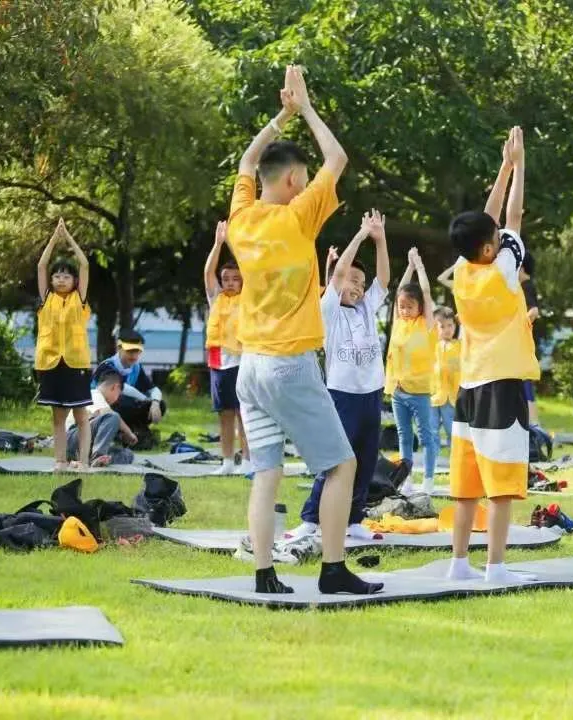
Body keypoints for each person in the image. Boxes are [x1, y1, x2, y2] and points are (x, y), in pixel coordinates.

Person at [227, 64, 381, 595]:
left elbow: (249, 159)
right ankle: (333, 570)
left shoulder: (243, 217)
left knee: (267, 471)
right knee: (342, 465)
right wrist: (307, 108)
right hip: (290, 363)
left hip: (249, 366)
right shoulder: (298, 216)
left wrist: (280, 116)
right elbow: (337, 159)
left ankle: (265, 574)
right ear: (294, 181)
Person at [445, 126, 538, 584]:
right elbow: (512, 215)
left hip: (469, 384)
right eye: (496, 237)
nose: (502, 236)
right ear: (489, 247)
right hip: (502, 386)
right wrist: (519, 167)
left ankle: (458, 562)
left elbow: (489, 218)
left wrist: (502, 166)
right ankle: (496, 567)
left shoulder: (463, 271)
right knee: (501, 484)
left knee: (466, 484)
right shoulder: (503, 269)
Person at [289, 210, 391, 543]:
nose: (358, 288)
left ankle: (353, 519)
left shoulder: (366, 307)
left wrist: (380, 239)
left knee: (364, 458)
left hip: (371, 394)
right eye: (352, 281)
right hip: (342, 394)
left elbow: (385, 280)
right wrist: (360, 235)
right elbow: (336, 278)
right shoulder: (329, 309)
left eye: (362, 284)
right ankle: (310, 518)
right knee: (336, 459)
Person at [34, 218, 93, 471]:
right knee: (57, 415)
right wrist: (53, 240)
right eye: (57, 276)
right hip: (49, 361)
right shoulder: (46, 298)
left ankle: (84, 461)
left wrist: (67, 237)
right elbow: (41, 265)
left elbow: (85, 264)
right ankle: (59, 461)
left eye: (65, 276)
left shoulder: (79, 300)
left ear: (74, 281)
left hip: (76, 362)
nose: (59, 279)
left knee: (80, 415)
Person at [385, 248, 439, 495]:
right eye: (401, 307)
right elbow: (399, 292)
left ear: (420, 307)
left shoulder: (426, 325)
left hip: (420, 392)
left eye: (410, 306)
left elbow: (426, 292)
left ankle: (428, 480)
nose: (404, 310)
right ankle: (406, 480)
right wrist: (407, 266)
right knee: (404, 437)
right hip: (398, 391)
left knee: (427, 438)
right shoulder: (399, 324)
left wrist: (419, 266)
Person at [204, 220, 250, 475]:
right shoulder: (216, 298)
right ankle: (227, 462)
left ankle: (247, 460)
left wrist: (233, 242)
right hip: (219, 360)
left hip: (243, 359)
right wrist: (218, 243)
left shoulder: (248, 297)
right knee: (225, 413)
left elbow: (250, 269)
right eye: (226, 279)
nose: (231, 282)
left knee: (245, 412)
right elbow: (207, 273)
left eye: (236, 278)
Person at [93, 329, 166, 447]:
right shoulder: (107, 366)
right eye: (130, 351)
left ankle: (137, 431)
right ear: (119, 348)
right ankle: (120, 433)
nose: (134, 356)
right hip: (100, 410)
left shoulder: (136, 367)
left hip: (126, 407)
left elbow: (153, 389)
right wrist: (145, 399)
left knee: (160, 405)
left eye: (137, 351)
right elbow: (122, 388)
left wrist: (155, 403)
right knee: (123, 402)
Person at [65, 370, 135, 466]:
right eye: (118, 394)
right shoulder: (94, 394)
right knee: (113, 417)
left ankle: (99, 460)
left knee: (128, 454)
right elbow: (110, 415)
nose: (116, 400)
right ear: (115, 387)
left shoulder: (100, 401)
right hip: (72, 439)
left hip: (84, 445)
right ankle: (97, 456)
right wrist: (129, 433)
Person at [519, 252, 545, 430]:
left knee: (525, 380)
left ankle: (534, 423)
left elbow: (534, 311)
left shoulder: (526, 286)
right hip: (522, 341)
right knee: (522, 381)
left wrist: (519, 328)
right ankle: (530, 422)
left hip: (522, 342)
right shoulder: (525, 285)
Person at [432, 306, 461, 448]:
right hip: (433, 396)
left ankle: (454, 462)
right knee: (431, 431)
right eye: (442, 326)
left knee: (453, 431)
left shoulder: (460, 346)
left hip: (452, 397)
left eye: (450, 325)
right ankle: (432, 462)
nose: (447, 329)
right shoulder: (432, 346)